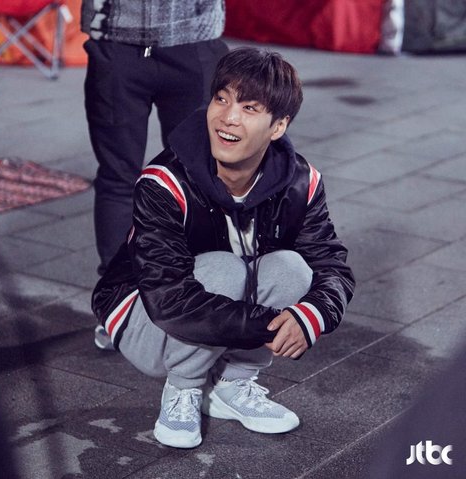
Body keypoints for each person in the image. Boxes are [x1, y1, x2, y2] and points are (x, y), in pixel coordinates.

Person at [92, 47, 355, 448]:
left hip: (223, 315)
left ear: (278, 126)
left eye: (249, 108)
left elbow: (331, 266)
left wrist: (311, 316)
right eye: (222, 99)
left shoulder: (302, 184)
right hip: (143, 319)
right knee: (225, 269)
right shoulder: (164, 183)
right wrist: (273, 325)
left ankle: (232, 385)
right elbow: (169, 298)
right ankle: (183, 388)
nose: (228, 117)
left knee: (292, 268)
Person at [80, 0, 228, 274]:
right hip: (117, 42)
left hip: (193, 39)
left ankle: (201, 285)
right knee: (118, 177)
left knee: (200, 177)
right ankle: (120, 292)